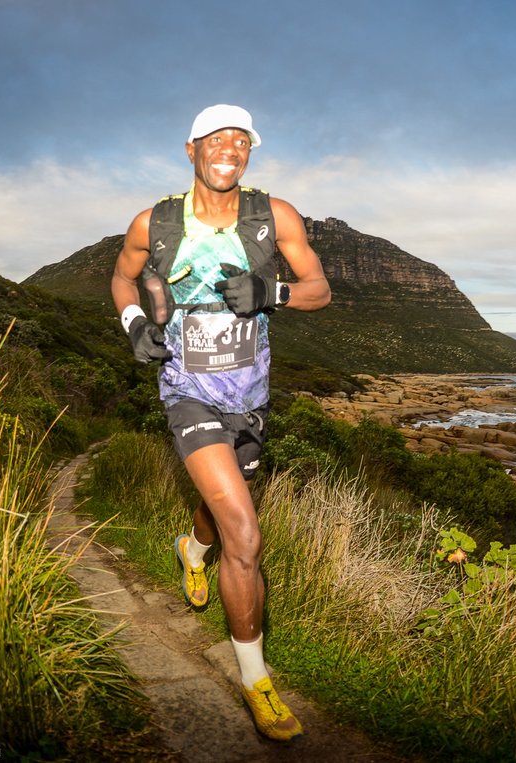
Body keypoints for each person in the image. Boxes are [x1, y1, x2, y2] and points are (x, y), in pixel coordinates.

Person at [110, 104, 330, 742]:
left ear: (249, 153)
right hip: (186, 390)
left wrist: (273, 294)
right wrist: (134, 327)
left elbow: (319, 288)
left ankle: (191, 548)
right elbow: (122, 280)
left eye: (242, 141)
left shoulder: (274, 216)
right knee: (246, 533)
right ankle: (257, 681)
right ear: (191, 150)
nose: (230, 150)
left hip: (249, 397)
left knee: (217, 513)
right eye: (217, 140)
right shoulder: (155, 222)